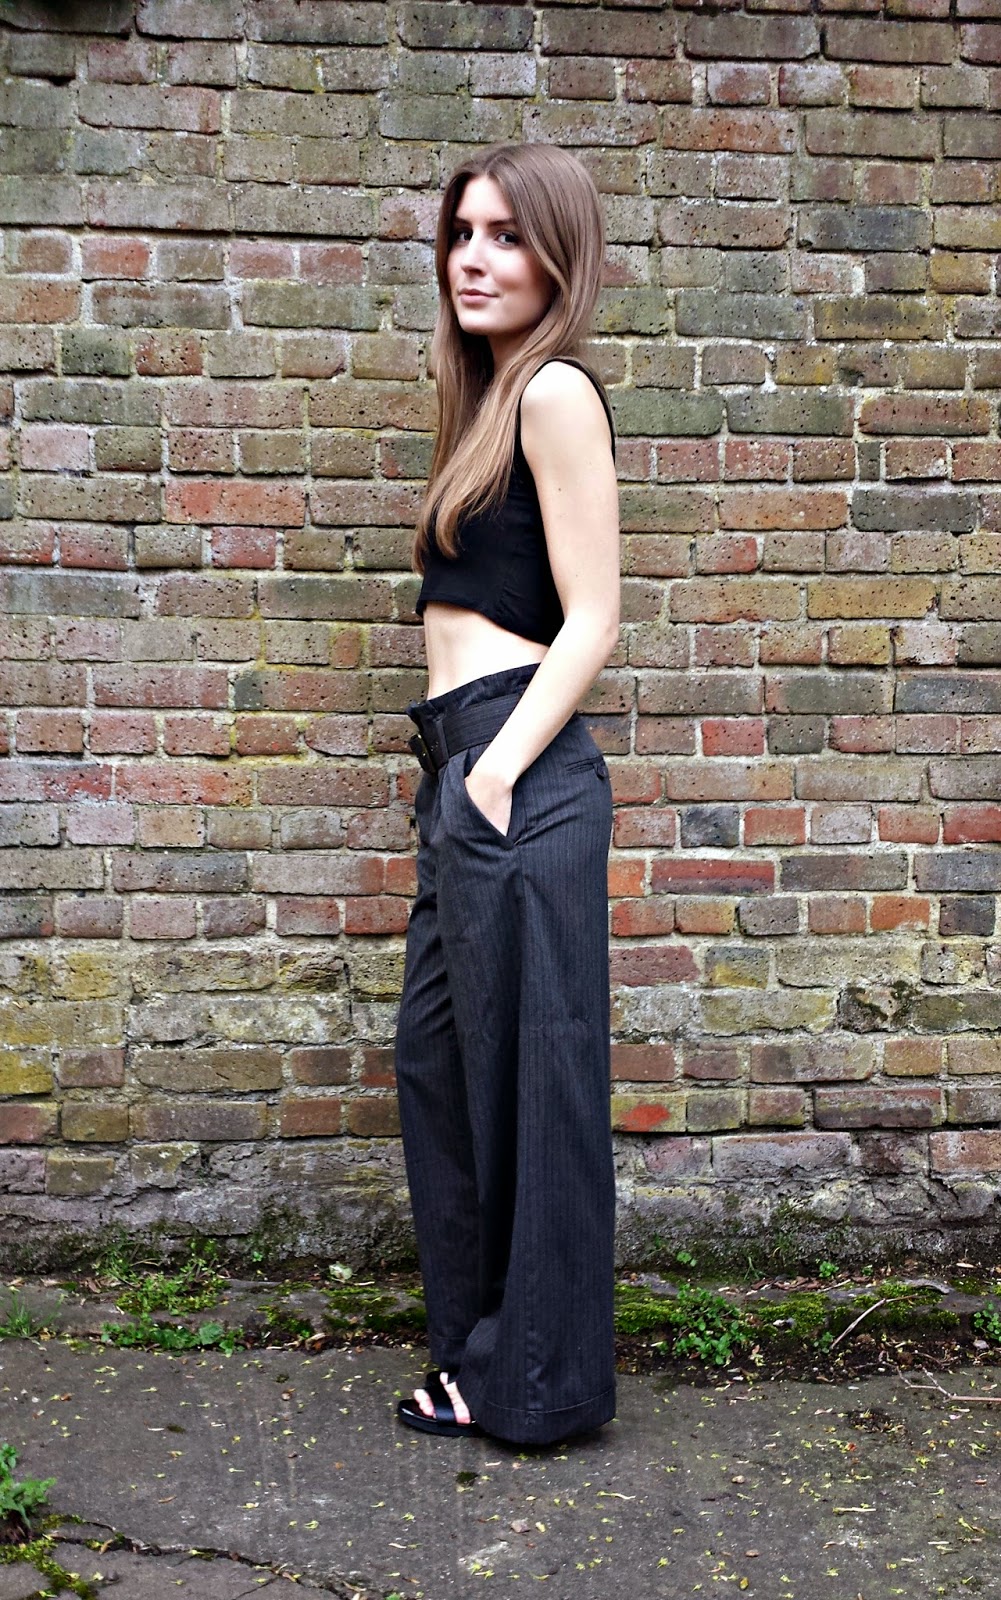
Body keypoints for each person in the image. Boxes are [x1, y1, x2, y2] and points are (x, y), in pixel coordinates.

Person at [393, 142, 620, 1447]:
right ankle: (485, 1353)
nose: (472, 258)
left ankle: (537, 1385)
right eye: (461, 233)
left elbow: (594, 619)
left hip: (513, 770)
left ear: (557, 256)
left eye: (505, 235)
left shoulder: (554, 394)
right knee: (441, 1066)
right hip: (468, 767)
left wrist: (491, 769)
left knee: (535, 1090)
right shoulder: (487, 403)